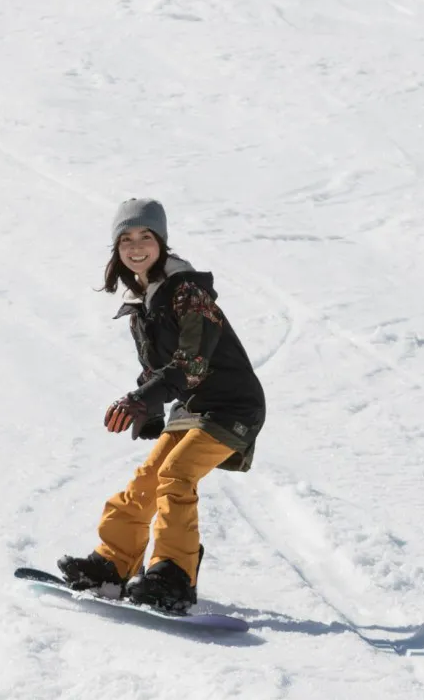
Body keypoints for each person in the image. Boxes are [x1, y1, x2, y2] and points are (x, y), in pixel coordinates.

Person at [57, 198, 266, 612]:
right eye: (126, 239)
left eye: (145, 237)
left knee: (176, 474)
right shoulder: (143, 302)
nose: (136, 247)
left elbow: (192, 360)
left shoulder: (188, 291)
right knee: (147, 480)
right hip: (191, 406)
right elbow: (156, 366)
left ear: (162, 242)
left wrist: (144, 398)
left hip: (231, 404)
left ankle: (174, 575)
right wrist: (149, 409)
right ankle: (113, 565)